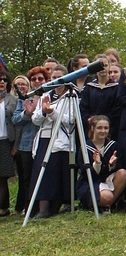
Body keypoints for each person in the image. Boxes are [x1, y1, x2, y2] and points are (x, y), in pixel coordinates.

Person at [28, 65, 73, 218]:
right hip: (44, 139)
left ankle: (51, 208)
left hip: (61, 142)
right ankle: (40, 209)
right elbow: (35, 119)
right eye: (53, 78)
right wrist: (43, 111)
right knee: (40, 173)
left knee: (53, 175)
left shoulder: (72, 96)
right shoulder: (45, 95)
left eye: (59, 78)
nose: (56, 81)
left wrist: (52, 112)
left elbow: (70, 120)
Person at [75, 115, 126, 212]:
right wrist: (97, 164)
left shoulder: (113, 146)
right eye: (99, 128)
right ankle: (97, 204)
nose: (103, 131)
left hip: (106, 180)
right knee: (107, 196)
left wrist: (111, 165)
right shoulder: (85, 148)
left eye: (106, 128)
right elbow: (85, 173)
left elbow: (118, 167)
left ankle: (107, 206)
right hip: (90, 182)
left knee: (123, 173)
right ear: (92, 128)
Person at [11, 74, 35, 215]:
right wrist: (27, 113)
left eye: (23, 84)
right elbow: (16, 119)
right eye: (18, 84)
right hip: (23, 143)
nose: (21, 87)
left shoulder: (41, 96)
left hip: (40, 141)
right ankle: (26, 207)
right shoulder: (21, 100)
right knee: (25, 177)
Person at [80, 54, 120, 133]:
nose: (102, 68)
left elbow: (117, 109)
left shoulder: (116, 87)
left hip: (111, 128)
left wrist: (105, 121)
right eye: (98, 66)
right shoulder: (89, 87)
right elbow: (83, 108)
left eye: (105, 65)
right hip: (91, 128)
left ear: (109, 66)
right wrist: (89, 119)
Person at [0, 70, 18, 217]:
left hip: (6, 142)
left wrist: (16, 145)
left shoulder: (13, 100)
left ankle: (4, 208)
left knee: (3, 176)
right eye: (0, 80)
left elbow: (17, 125)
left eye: (5, 80)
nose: (2, 82)